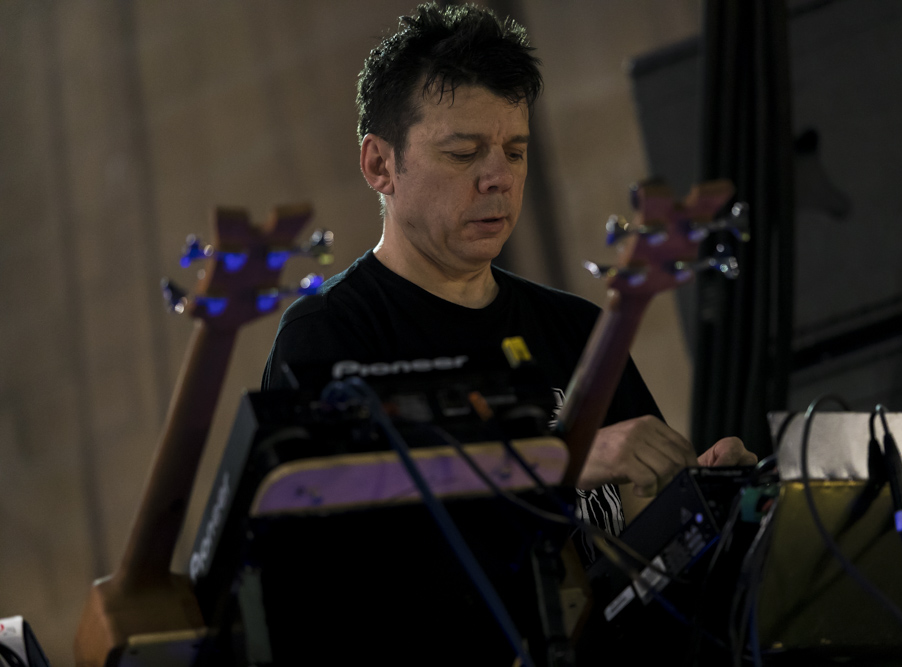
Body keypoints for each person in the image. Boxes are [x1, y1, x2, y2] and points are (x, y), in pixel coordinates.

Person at [262, 2, 754, 565]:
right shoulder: (330, 334)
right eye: (463, 153)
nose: (498, 177)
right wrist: (559, 460)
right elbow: (321, 545)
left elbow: (645, 539)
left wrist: (708, 499)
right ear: (380, 165)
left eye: (515, 152)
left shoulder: (576, 328)